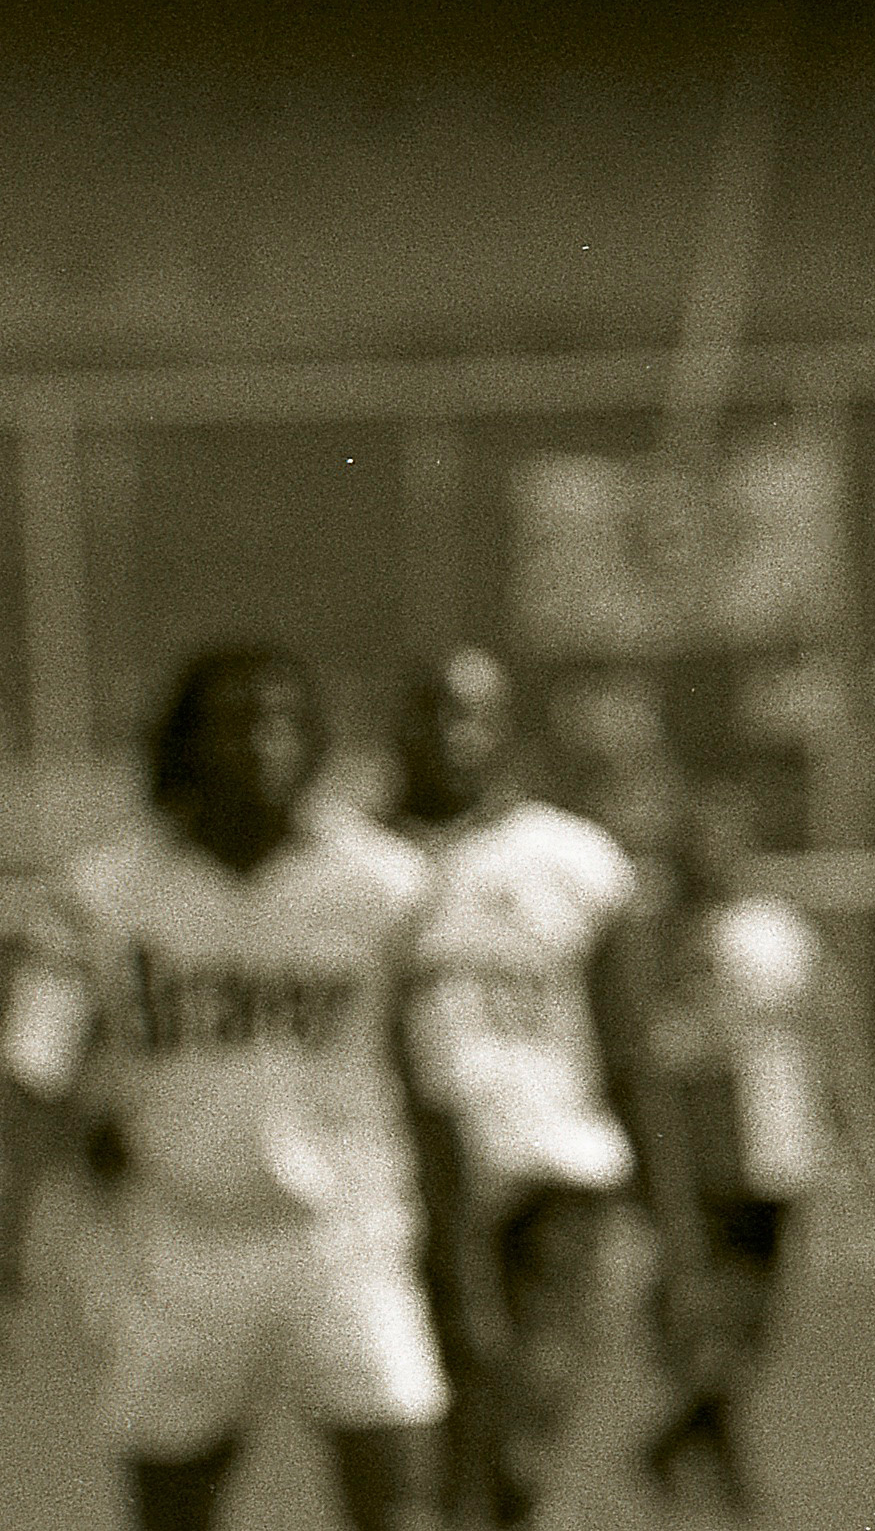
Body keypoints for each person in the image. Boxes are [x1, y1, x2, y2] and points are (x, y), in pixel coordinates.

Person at [0, 643, 446, 1531]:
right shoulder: (104, 893)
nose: (261, 742)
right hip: (183, 1243)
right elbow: (36, 1071)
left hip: (345, 1234)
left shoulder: (383, 884)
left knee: (403, 1509)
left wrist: (458, 1255)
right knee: (172, 1515)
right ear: (186, 743)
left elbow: (434, 1078)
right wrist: (2, 1237)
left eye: (282, 719)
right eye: (235, 721)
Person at [606, 785, 875, 1522]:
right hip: (701, 1166)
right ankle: (710, 1469)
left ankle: (680, 1451)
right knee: (703, 1319)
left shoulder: (777, 930)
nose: (707, 858)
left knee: (747, 1330)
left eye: (720, 842)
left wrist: (874, 1142)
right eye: (694, 844)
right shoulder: (664, 941)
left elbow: (834, 1039)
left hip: (778, 1157)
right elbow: (647, 1052)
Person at [388, 649, 638, 1531]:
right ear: (399, 726)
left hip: (554, 1167)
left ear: (503, 728)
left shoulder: (571, 857)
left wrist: (670, 1215)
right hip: (411, 1178)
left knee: (531, 1405)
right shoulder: (363, 868)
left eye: (473, 714)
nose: (451, 734)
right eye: (432, 712)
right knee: (445, 1404)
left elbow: (626, 1042)